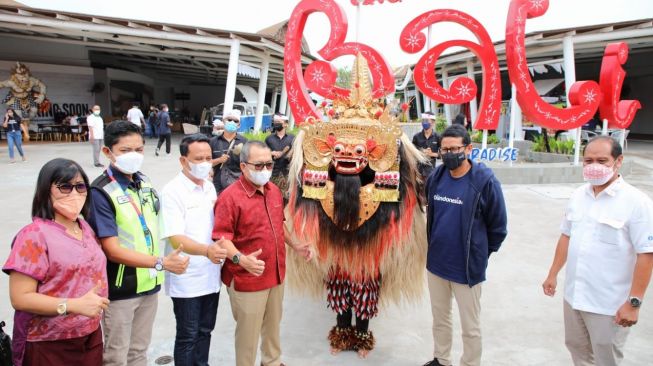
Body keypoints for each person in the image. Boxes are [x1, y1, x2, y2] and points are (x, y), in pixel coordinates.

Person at [542, 136, 653, 366]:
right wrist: (553, 274)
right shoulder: (578, 196)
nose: (594, 166)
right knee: (578, 351)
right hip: (574, 297)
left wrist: (634, 303)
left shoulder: (637, 202)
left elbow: (647, 254)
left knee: (606, 359)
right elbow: (566, 236)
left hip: (609, 304)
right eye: (588, 160)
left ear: (618, 161)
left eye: (602, 160)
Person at [87, 121, 189, 366]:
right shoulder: (100, 192)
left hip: (149, 284)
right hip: (121, 290)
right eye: (125, 151)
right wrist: (162, 263)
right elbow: (111, 249)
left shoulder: (144, 183)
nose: (133, 156)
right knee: (116, 356)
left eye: (139, 150)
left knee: (139, 352)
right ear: (107, 152)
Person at [3, 158, 109, 365]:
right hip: (48, 342)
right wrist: (72, 305)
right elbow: (20, 298)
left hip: (89, 335)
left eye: (80, 186)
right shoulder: (34, 235)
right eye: (65, 187)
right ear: (46, 190)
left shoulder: (84, 228)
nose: (74, 194)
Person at [212, 141, 310, 366]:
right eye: (259, 165)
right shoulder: (229, 197)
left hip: (275, 273)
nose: (265, 169)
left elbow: (279, 223)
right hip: (248, 278)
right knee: (249, 333)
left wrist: (296, 245)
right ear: (244, 166)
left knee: (273, 324)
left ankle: (272, 361)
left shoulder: (273, 191)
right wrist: (240, 259)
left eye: (269, 164)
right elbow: (221, 238)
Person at [423, 124, 507, 366]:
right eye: (444, 149)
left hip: (467, 269)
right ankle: (441, 358)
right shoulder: (436, 178)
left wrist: (480, 253)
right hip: (437, 264)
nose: (448, 154)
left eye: (454, 149)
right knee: (440, 318)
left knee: (470, 326)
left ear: (468, 149)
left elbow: (498, 228)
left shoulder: (484, 182)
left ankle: (470, 363)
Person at [160, 134, 227, 366]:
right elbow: (176, 237)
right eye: (199, 158)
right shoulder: (172, 191)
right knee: (188, 335)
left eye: (209, 158)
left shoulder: (209, 188)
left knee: (205, 331)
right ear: (183, 161)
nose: (205, 163)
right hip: (187, 277)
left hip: (211, 274)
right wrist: (207, 251)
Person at [209, 109, 247, 194]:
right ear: (223, 121)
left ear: (239, 125)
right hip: (217, 186)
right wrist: (219, 160)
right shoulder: (213, 141)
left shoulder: (244, 142)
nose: (232, 122)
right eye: (229, 120)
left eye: (235, 121)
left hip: (238, 186)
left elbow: (248, 164)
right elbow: (206, 163)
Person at [265, 113, 294, 202]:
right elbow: (263, 153)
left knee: (287, 199)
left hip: (287, 173)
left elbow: (296, 153)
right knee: (272, 198)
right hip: (273, 173)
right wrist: (271, 153)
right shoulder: (269, 139)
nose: (277, 124)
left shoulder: (292, 138)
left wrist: (290, 155)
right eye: (275, 122)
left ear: (286, 124)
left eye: (279, 122)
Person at [412, 112, 440, 180]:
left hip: (431, 171)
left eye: (427, 120)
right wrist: (421, 152)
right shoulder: (416, 137)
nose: (424, 122)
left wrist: (432, 154)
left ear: (433, 122)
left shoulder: (438, 137)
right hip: (418, 172)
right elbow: (411, 152)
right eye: (423, 120)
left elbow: (443, 154)